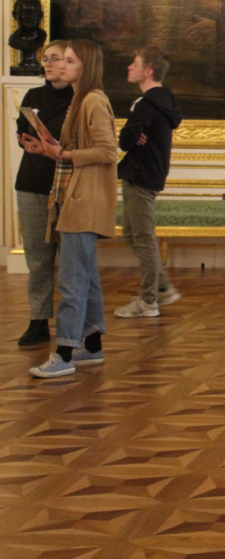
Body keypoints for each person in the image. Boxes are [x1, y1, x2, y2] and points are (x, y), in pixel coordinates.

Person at [25, 40, 118, 379]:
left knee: (73, 280)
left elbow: (108, 152)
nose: (61, 66)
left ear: (86, 66)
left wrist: (63, 154)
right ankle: (91, 345)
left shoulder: (92, 100)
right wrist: (49, 150)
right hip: (73, 197)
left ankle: (64, 353)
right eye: (60, 60)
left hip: (84, 201)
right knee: (85, 276)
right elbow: (77, 151)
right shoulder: (81, 99)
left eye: (69, 61)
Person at [113, 46, 184, 318]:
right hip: (146, 173)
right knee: (133, 234)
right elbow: (133, 136)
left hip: (141, 175)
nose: (129, 67)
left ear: (148, 71)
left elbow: (125, 140)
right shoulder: (161, 100)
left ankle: (148, 301)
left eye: (135, 63)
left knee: (143, 239)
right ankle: (162, 288)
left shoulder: (147, 103)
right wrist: (135, 135)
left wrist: (132, 135)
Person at [14, 41, 73, 346]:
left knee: (72, 259)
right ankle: (38, 321)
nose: (48, 64)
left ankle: (75, 325)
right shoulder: (33, 96)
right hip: (32, 181)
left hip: (70, 186)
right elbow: (21, 131)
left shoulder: (83, 98)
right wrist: (26, 141)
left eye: (55, 59)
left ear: (71, 62)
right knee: (38, 257)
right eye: (45, 59)